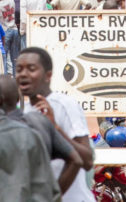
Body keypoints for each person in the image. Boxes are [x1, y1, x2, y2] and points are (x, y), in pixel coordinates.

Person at [16, 47, 94, 202]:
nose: (23, 74)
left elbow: (87, 160)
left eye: (31, 69)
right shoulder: (24, 113)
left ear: (48, 75)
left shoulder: (65, 105)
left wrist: (55, 128)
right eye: (19, 69)